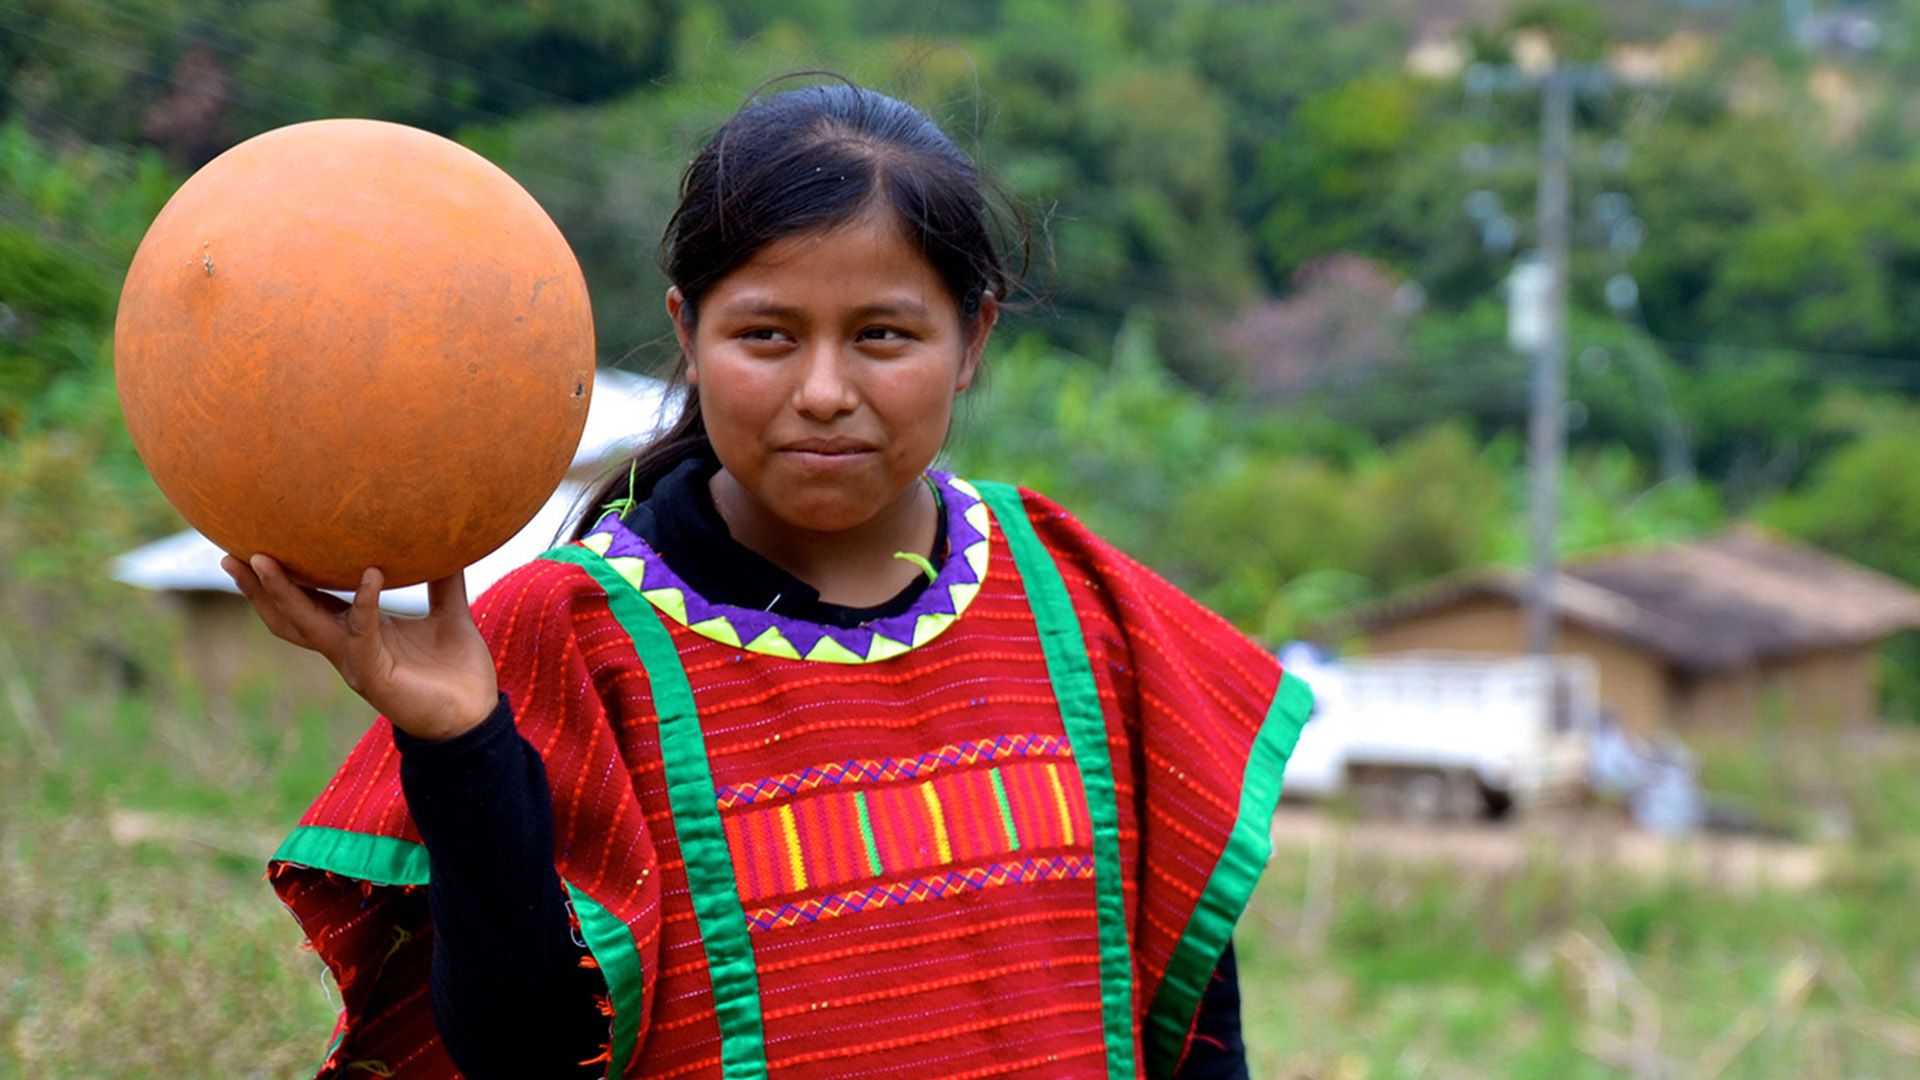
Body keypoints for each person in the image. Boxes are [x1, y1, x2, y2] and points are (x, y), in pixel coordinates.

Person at [228, 83, 1311, 1079]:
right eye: (768, 335)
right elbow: (524, 1054)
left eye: (883, 334)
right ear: (687, 332)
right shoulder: (565, 639)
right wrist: (461, 744)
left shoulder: (1086, 609)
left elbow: (1197, 1024)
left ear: (972, 337)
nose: (825, 391)